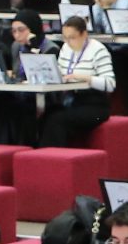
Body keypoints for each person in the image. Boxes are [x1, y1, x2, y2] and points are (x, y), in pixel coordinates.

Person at [39, 15, 117, 148]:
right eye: (65, 38)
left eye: (72, 38)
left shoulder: (98, 50)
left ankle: (57, 157)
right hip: (71, 101)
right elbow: (60, 71)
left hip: (94, 105)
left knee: (57, 120)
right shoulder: (66, 48)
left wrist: (86, 78)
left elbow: (110, 84)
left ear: (84, 34)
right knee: (45, 116)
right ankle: (42, 155)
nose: (68, 42)